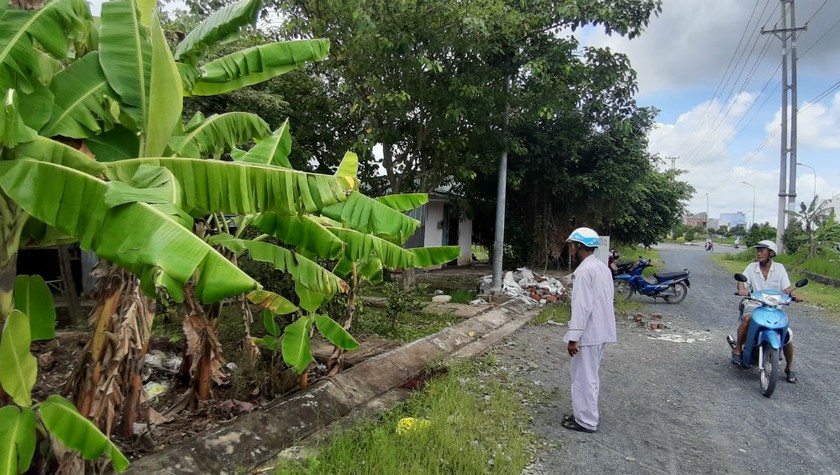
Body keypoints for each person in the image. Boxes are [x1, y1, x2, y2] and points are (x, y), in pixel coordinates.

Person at [562, 227, 617, 433]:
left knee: (584, 377)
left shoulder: (585, 271)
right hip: (600, 330)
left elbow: (582, 306)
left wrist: (573, 337)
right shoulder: (601, 267)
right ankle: (582, 414)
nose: (569, 249)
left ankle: (586, 421)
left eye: (571, 245)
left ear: (579, 246)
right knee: (588, 375)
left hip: (589, 332)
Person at [729, 240, 801, 383]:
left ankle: (790, 367)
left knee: (785, 333)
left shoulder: (779, 268)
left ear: (771, 253)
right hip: (754, 303)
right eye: (758, 250)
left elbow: (786, 288)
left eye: (762, 250)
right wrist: (742, 289)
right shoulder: (751, 267)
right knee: (748, 319)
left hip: (774, 306)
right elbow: (742, 281)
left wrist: (793, 295)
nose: (759, 253)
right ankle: (738, 350)